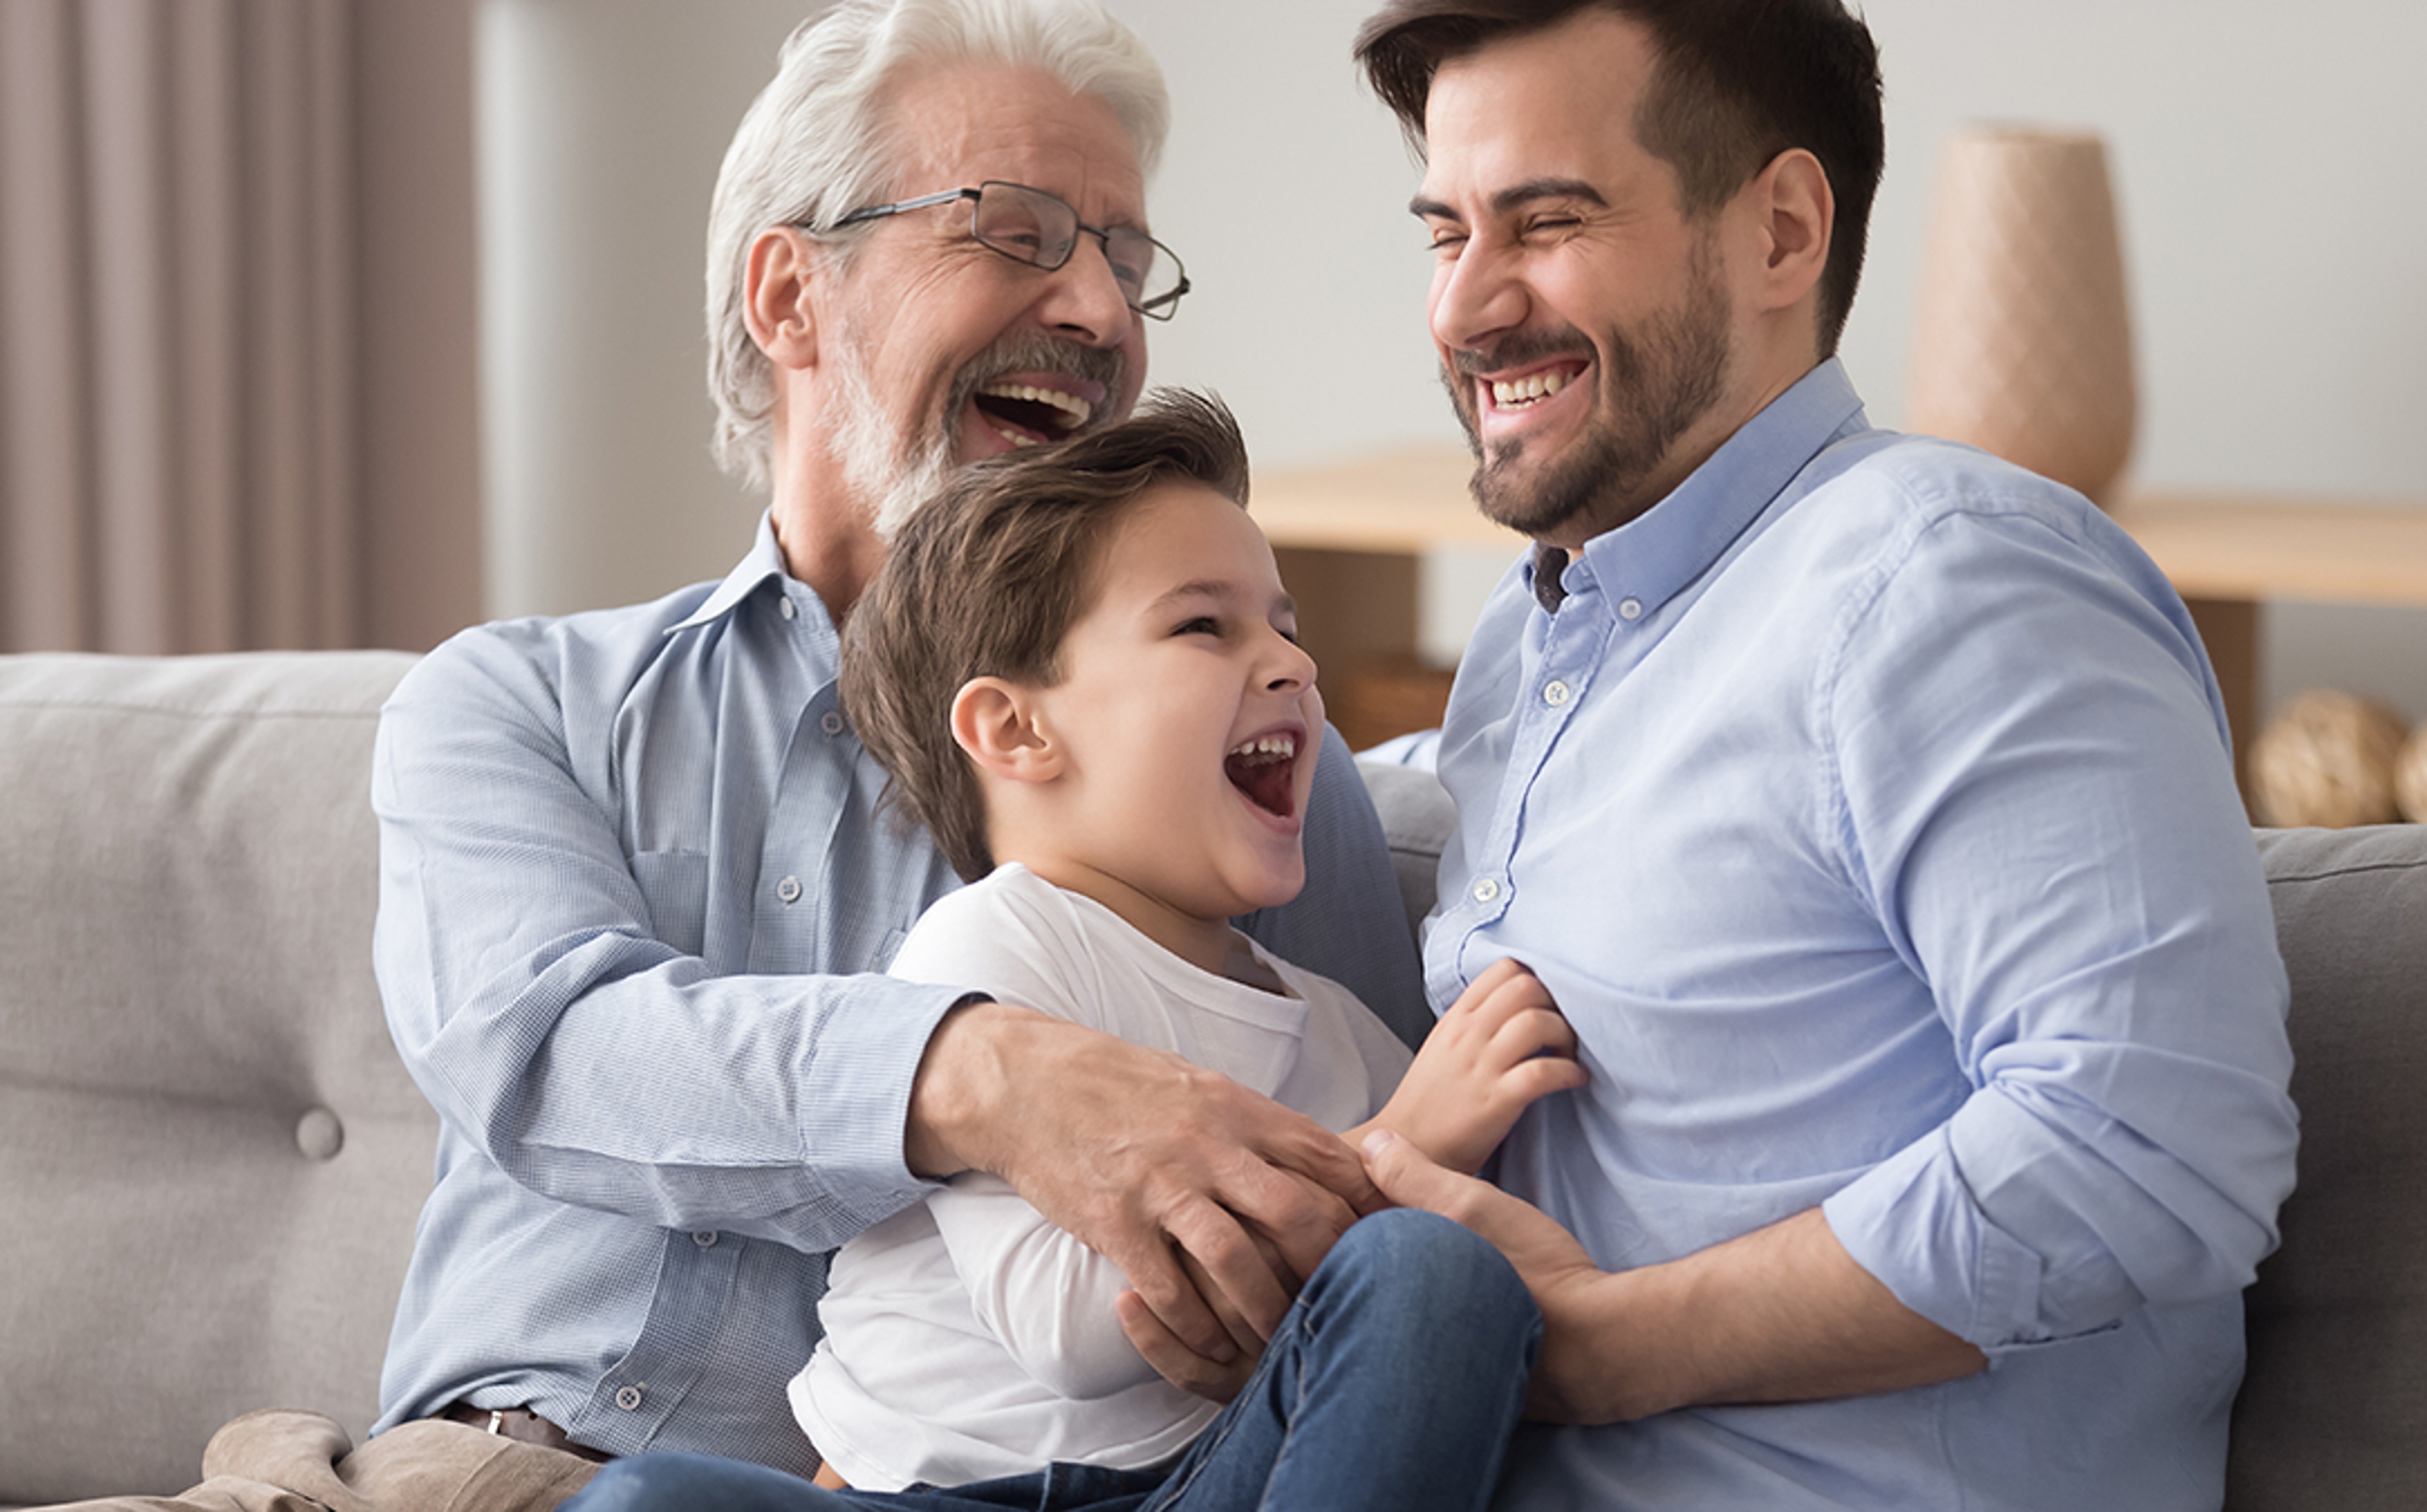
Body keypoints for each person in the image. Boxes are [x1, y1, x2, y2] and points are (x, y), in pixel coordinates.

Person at [34, 4, 1420, 1510]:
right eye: (1017, 232)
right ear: (791, 293)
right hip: (463, 1474)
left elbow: (1382, 1209)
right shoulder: (514, 705)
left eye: (1124, 258)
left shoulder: (1248, 778)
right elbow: (550, 1052)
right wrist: (978, 1072)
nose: (1100, 308)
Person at [1305, 2, 2303, 1508]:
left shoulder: (1950, 584)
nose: (1467, 307)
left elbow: (2150, 1147)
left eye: (1549, 220)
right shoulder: (1551, 636)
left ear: (1781, 232)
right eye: (1446, 234)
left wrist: (1602, 1345)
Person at [565, 391, 1569, 1512]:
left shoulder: (1335, 1025)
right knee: (646, 1502)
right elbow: (1077, 1330)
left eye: (1285, 625)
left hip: (1199, 1489)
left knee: (1437, 1280)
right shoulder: (996, 949)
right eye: (1206, 626)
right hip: (940, 1497)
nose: (1293, 664)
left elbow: (1440, 1292)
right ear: (1016, 729)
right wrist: (1404, 1144)